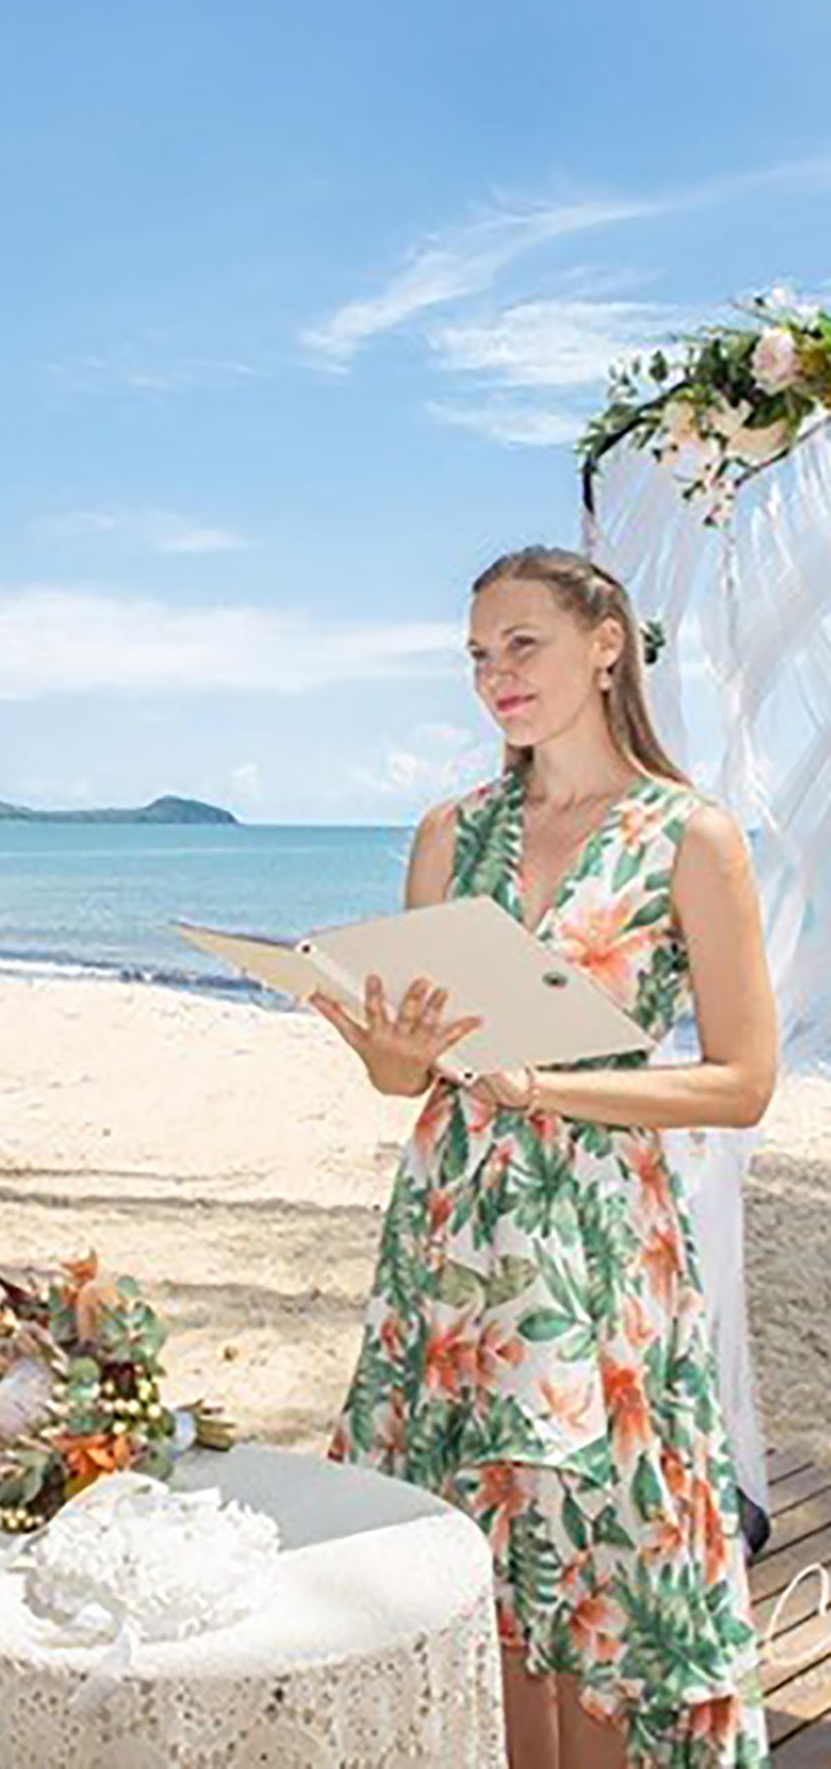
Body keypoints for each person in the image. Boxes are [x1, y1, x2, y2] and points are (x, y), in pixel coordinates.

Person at [319, 549, 774, 1769]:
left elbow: (740, 1081)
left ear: (603, 644)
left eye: (519, 644)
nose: (493, 676)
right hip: (450, 1235)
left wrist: (548, 1087)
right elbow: (402, 1079)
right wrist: (389, 1048)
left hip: (594, 1249)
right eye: (476, 654)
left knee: (607, 1569)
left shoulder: (690, 836)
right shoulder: (445, 833)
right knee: (479, 1566)